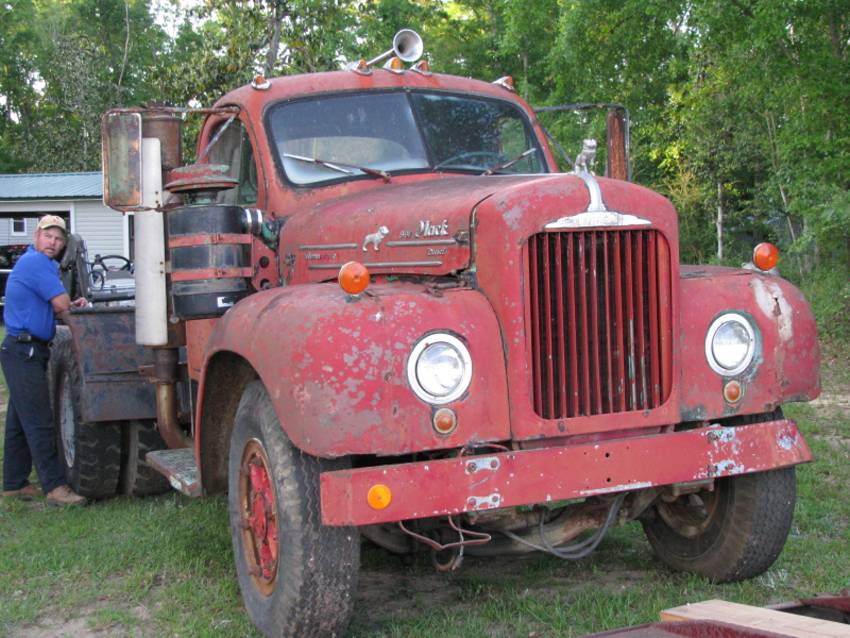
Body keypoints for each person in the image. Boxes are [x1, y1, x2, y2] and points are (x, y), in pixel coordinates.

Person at [1, 215, 88, 506]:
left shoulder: (38, 264)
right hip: (24, 351)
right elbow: (61, 304)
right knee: (39, 420)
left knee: (18, 419)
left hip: (22, 350)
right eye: (48, 236)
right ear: (37, 236)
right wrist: (78, 325)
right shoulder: (36, 263)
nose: (53, 243)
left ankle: (14, 483)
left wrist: (67, 303)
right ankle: (55, 486)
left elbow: (49, 305)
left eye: (59, 238)